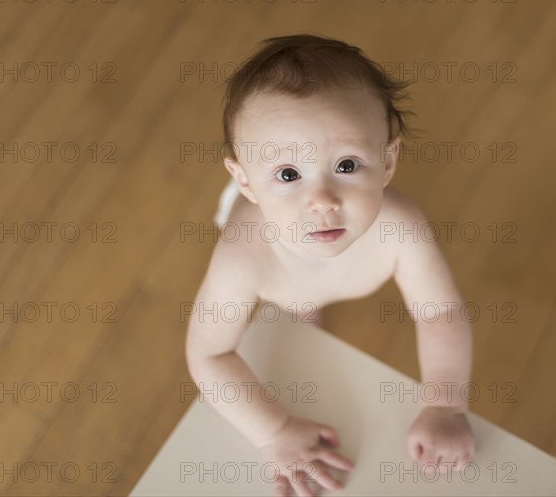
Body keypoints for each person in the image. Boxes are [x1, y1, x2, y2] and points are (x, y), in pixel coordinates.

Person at [186, 34, 475, 497]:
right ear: (244, 180)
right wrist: (273, 430)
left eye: (345, 165)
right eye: (287, 174)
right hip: (273, 262)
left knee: (306, 300)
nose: (321, 201)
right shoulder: (242, 255)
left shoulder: (401, 226)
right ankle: (303, 307)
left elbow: (438, 312)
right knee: (296, 303)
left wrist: (445, 404)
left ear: (387, 161)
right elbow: (209, 354)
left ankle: (305, 304)